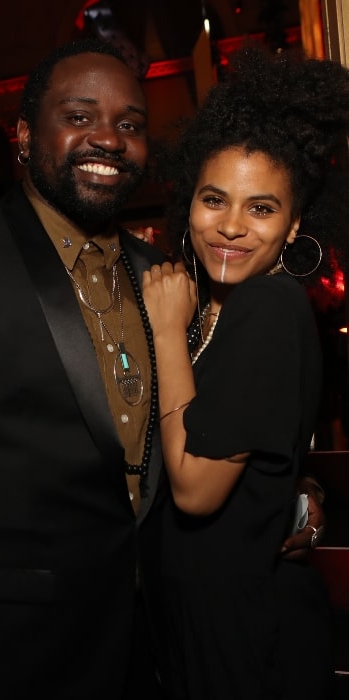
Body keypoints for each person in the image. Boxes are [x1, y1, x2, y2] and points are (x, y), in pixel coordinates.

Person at [0, 38, 324, 700]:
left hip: (159, 648)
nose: (107, 138)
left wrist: (293, 497)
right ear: (21, 134)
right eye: (79, 115)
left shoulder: (164, 279)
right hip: (13, 658)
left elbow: (231, 418)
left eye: (130, 124)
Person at [140, 46, 349, 699]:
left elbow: (198, 490)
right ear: (188, 202)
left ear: (292, 228)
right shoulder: (213, 311)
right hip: (204, 616)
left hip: (244, 632)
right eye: (214, 200)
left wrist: (167, 334)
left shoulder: (266, 303)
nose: (231, 227)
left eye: (261, 209)